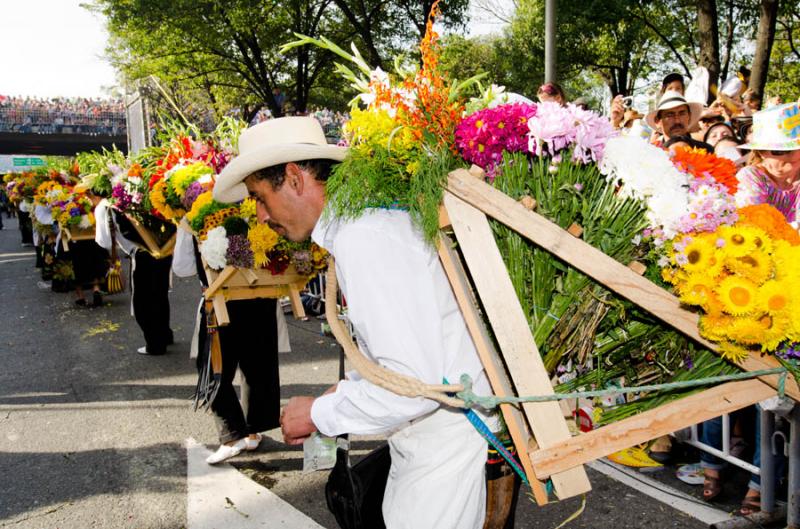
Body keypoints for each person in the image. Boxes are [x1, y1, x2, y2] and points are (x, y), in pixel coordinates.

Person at [213, 117, 494, 528]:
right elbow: (403, 358)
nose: (258, 215)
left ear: (293, 178)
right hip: (429, 442)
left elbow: (414, 388)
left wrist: (319, 414)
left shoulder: (366, 239)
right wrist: (346, 391)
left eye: (259, 197)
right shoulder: (362, 229)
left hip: (439, 447)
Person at [735, 102, 800, 225]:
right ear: (761, 153)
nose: (796, 154)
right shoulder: (750, 176)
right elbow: (755, 224)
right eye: (781, 151)